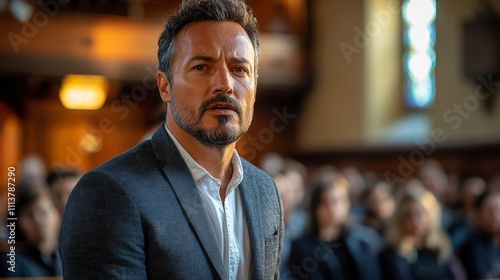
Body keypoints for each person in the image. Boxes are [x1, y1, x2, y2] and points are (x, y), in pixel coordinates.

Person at [58, 1, 283, 279]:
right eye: (202, 67)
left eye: (239, 69)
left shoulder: (265, 191)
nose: (225, 83)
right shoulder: (109, 192)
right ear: (165, 86)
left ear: (255, 85)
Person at [286, 168, 382, 280]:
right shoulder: (301, 247)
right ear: (315, 208)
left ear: (348, 203)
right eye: (325, 202)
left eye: (338, 201)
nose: (332, 208)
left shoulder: (363, 241)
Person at [379, 187, 464, 280]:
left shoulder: (439, 247)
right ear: (400, 219)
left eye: (419, 214)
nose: (414, 221)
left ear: (429, 216)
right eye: (408, 215)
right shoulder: (392, 254)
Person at [0, 185, 62, 277]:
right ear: (18, 223)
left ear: (57, 215)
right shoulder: (11, 261)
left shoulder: (69, 254)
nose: (38, 220)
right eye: (29, 215)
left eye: (43, 212)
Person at [459, 190, 500, 279]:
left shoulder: (496, 243)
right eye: (490, 210)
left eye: (498, 210)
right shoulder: (471, 246)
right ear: (478, 212)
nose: (495, 215)